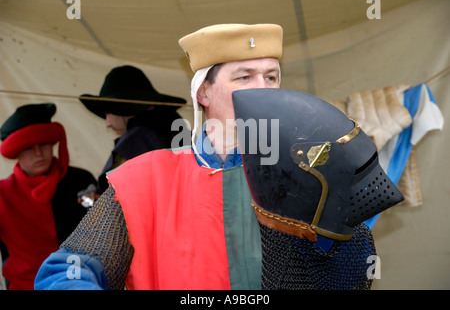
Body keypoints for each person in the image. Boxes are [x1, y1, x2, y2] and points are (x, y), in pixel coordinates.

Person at [34, 24, 402, 290]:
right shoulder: (142, 179)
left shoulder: (309, 173)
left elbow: (351, 272)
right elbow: (66, 273)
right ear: (204, 93)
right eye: (244, 77)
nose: (263, 91)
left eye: (271, 77)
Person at [0, 103, 96, 290]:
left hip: (80, 282)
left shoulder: (80, 182)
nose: (38, 153)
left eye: (43, 144)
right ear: (16, 153)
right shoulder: (3, 194)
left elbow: (97, 225)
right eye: (29, 148)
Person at [80, 65, 188, 194]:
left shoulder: (137, 139)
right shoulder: (180, 130)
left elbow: (114, 196)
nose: (107, 124)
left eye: (107, 114)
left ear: (120, 109)